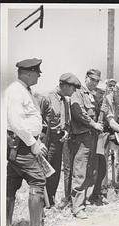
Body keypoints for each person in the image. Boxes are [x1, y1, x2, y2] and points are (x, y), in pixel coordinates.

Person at [6, 58, 48, 226]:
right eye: (37, 73)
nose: (39, 76)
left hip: (21, 143)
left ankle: (6, 225)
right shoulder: (16, 91)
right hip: (21, 145)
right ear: (29, 73)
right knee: (37, 180)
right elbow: (16, 122)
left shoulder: (24, 90)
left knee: (11, 183)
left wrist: (36, 140)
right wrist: (32, 143)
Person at [89, 81, 119, 204]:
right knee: (102, 164)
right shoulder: (107, 100)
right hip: (101, 133)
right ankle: (100, 192)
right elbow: (111, 122)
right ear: (114, 91)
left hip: (110, 133)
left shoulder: (116, 102)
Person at [42, 73, 81, 208]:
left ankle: (50, 202)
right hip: (48, 140)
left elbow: (65, 120)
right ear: (64, 86)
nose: (74, 91)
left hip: (60, 139)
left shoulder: (65, 100)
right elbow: (39, 120)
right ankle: (42, 203)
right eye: (72, 88)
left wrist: (66, 131)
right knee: (46, 171)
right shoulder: (47, 97)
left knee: (56, 173)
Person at [69, 69, 104, 219]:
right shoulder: (78, 94)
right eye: (92, 80)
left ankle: (84, 201)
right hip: (82, 137)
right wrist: (93, 124)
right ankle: (77, 207)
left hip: (92, 138)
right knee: (80, 171)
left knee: (90, 170)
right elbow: (78, 112)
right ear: (86, 78)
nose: (95, 83)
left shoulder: (92, 95)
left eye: (97, 81)